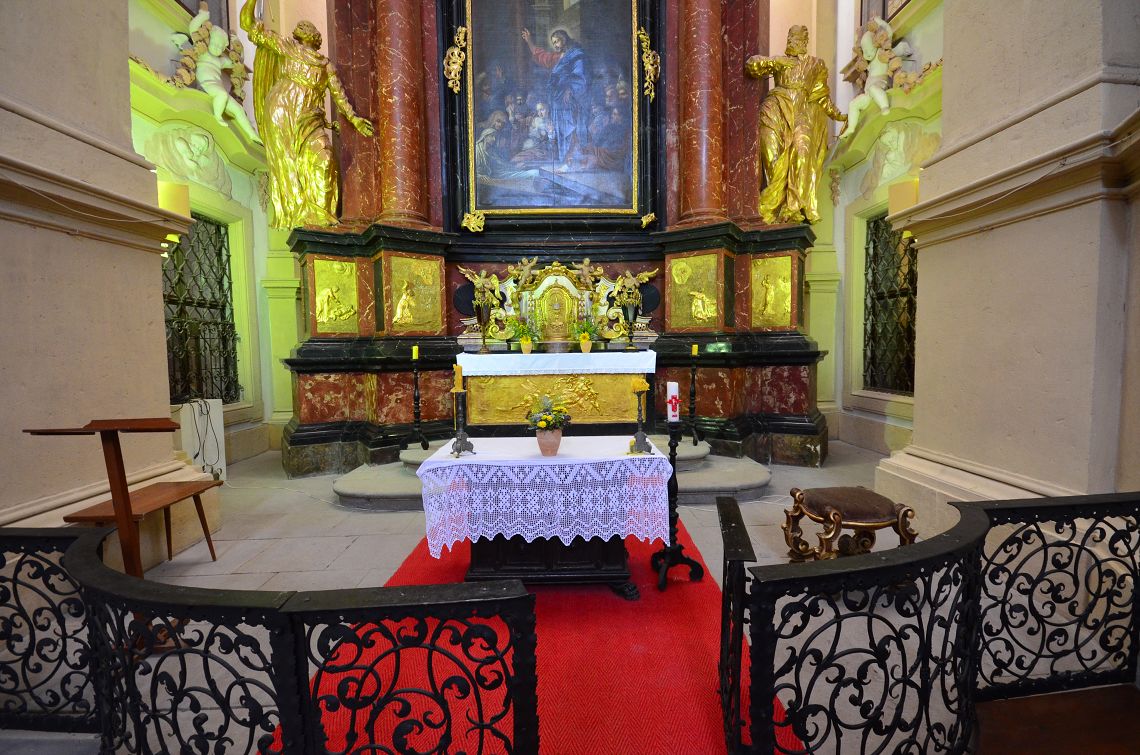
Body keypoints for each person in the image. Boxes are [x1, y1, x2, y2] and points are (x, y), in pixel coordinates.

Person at [239, 0, 374, 228]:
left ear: (317, 38)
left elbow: (339, 95)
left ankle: (321, 215)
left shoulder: (325, 65)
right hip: (281, 110)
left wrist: (354, 119)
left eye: (310, 27)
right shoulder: (287, 47)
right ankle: (300, 214)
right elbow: (248, 25)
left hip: (310, 119)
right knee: (287, 161)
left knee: (325, 159)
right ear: (297, 34)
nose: (306, 27)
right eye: (302, 26)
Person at [746, 26, 847, 225]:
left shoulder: (816, 64)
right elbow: (752, 65)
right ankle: (772, 206)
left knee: (802, 152)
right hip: (775, 108)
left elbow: (822, 97)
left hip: (801, 114)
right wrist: (776, 61)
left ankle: (792, 208)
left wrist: (839, 115)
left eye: (796, 38)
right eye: (790, 37)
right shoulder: (781, 61)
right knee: (771, 154)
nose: (791, 41)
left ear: (804, 42)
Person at [174, 4, 260, 144]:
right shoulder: (203, 53)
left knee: (238, 109)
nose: (217, 48)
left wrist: (237, 44)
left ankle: (252, 134)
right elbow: (193, 29)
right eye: (215, 44)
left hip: (217, 87)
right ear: (208, 41)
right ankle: (218, 116)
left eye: (221, 47)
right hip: (207, 84)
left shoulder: (219, 61)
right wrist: (202, 16)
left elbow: (237, 63)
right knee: (222, 95)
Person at [521, 28, 589, 170]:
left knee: (570, 130)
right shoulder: (558, 57)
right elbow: (542, 57)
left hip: (568, 101)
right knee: (561, 132)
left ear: (564, 39)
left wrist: (570, 89)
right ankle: (566, 162)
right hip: (557, 102)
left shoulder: (576, 55)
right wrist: (529, 42)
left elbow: (580, 75)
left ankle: (571, 162)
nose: (555, 45)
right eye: (553, 43)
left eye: (557, 41)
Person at [841, 17, 912, 139]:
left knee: (874, 89)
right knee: (853, 104)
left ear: (876, 43)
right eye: (865, 51)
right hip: (868, 94)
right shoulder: (870, 62)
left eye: (868, 49)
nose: (867, 53)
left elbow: (888, 32)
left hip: (880, 83)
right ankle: (851, 127)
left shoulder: (881, 53)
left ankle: (884, 107)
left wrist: (878, 21)